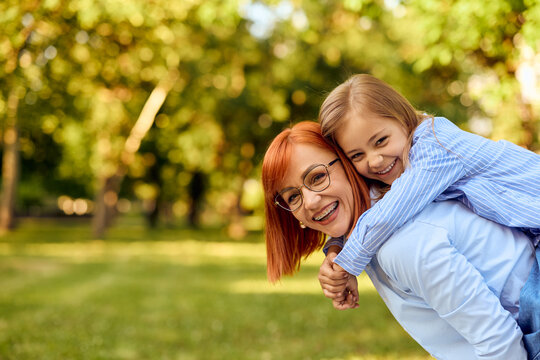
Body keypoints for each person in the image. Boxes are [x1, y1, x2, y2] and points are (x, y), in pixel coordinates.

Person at [262, 121, 539, 360]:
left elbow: (500, 344)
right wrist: (335, 248)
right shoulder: (376, 223)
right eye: (293, 197)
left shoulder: (404, 243)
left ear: (349, 164)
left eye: (318, 176)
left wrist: (344, 258)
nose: (310, 202)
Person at [317, 73, 540, 278]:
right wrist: (336, 246)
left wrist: (344, 265)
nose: (374, 160)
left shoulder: (435, 144)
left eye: (381, 141)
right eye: (357, 155)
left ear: (402, 118)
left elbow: (391, 210)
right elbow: (366, 201)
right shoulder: (403, 161)